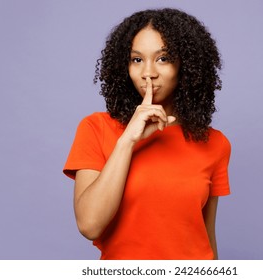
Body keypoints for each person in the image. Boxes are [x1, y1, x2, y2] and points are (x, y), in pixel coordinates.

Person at [63, 8, 231, 260]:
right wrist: (127, 141)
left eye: (163, 58)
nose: (148, 73)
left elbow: (206, 236)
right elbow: (89, 225)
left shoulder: (215, 143)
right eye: (137, 59)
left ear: (186, 64)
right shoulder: (96, 128)